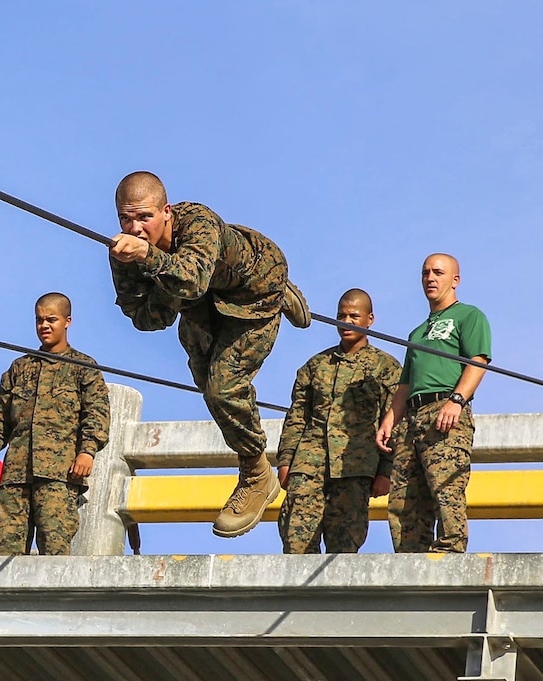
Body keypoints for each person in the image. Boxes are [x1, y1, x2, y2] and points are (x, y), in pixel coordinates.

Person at [108, 171, 310, 539]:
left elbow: (192, 278)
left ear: (166, 212)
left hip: (253, 292)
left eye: (144, 217)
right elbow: (147, 318)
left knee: (224, 389)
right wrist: (145, 270)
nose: (135, 228)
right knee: (206, 382)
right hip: (202, 307)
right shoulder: (127, 253)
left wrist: (152, 260)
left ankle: (255, 473)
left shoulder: (197, 222)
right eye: (126, 218)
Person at [0, 292, 111, 556]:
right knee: (5, 553)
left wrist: (87, 451)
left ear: (67, 321)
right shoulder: (20, 367)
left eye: (51, 320)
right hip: (16, 477)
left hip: (59, 477)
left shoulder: (83, 367)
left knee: (55, 554)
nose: (44, 326)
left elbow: (97, 414)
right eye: (39, 321)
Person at [376, 254, 491, 553]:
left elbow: (478, 361)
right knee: (404, 497)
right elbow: (405, 384)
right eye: (426, 272)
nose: (430, 278)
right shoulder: (417, 332)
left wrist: (456, 400)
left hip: (445, 409)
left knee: (445, 488)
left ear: (455, 280)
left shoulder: (468, 315)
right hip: (412, 417)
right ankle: (409, 558)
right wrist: (390, 419)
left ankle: (450, 550)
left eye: (438, 272)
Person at [277, 289, 401, 554]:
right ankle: (295, 595)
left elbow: (393, 424)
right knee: (296, 540)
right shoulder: (315, 365)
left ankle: (335, 597)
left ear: (370, 319)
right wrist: (286, 461)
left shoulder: (386, 368)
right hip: (309, 465)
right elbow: (297, 417)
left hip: (354, 468)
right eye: (341, 316)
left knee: (344, 545)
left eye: (354, 316)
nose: (347, 321)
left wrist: (385, 472)